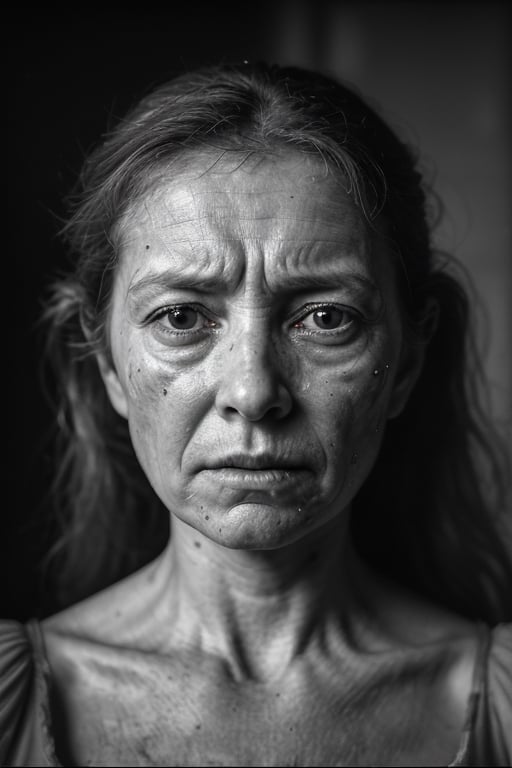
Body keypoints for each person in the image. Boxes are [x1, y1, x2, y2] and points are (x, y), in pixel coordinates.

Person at [1, 60, 511, 767]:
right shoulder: (16, 705)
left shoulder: (497, 708)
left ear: (409, 361)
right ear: (109, 363)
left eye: (326, 318)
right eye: (181, 316)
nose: (253, 390)